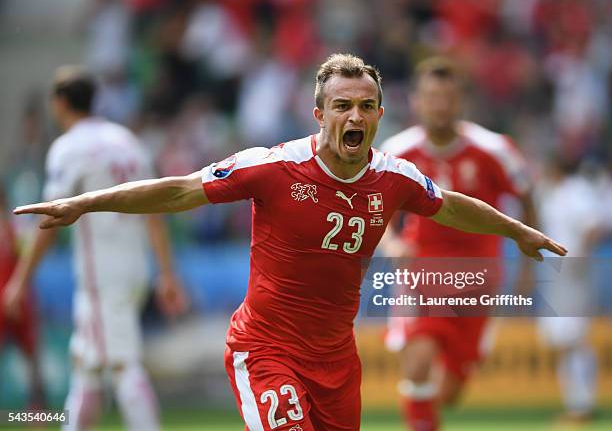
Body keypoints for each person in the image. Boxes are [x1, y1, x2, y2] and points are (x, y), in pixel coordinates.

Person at [8, 54, 566, 431]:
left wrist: (515, 230)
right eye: (343, 105)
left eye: (365, 106)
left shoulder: (395, 175)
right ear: (319, 114)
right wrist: (84, 202)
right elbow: (178, 191)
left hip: (338, 361)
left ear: (378, 115)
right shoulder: (272, 166)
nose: (354, 115)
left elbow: (449, 204)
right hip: (266, 349)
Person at [3, 66, 187, 431]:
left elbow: (50, 221)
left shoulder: (68, 148)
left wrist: (20, 280)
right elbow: (156, 211)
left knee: (123, 365)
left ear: (59, 103)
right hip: (133, 268)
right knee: (86, 366)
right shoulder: (127, 142)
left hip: (101, 275)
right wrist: (166, 273)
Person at [379, 56, 537, 431]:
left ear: (460, 101)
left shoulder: (494, 149)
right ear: (416, 101)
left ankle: (441, 396)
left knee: (449, 391)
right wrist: (392, 243)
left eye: (447, 97)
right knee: (416, 364)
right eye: (431, 97)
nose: (440, 105)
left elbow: (529, 200)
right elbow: (377, 207)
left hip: (479, 277)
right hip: (423, 270)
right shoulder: (398, 151)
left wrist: (528, 264)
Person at [536, 156, 603, 423]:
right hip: (556, 274)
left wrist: (581, 259)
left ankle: (581, 404)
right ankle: (577, 403)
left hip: (572, 273)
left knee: (572, 338)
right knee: (564, 340)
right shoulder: (552, 194)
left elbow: (593, 227)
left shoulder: (576, 191)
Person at [0, 184, 46, 409]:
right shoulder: (15, 226)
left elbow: (28, 256)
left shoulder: (15, 226)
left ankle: (37, 418)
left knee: (32, 363)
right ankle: (38, 418)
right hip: (18, 299)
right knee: (32, 364)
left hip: (18, 299)